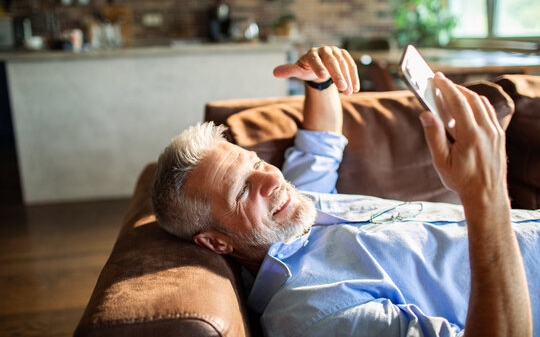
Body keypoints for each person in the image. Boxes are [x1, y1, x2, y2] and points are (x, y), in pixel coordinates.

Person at [151, 46, 539, 337]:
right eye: (241, 191)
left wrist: (319, 75)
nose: (273, 181)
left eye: (255, 162)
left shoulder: (293, 211)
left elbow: (319, 143)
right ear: (217, 243)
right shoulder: (313, 311)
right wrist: (486, 198)